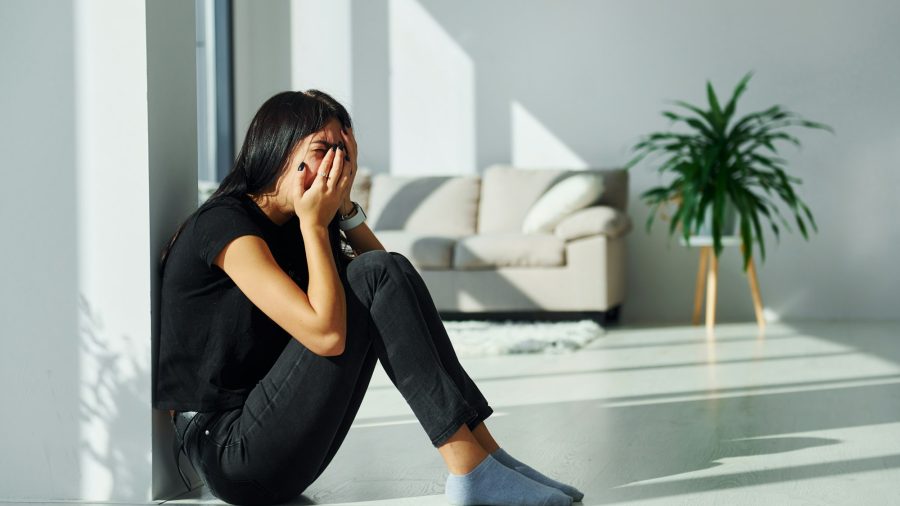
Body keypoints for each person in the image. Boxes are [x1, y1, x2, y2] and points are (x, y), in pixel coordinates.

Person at [153, 90, 584, 506]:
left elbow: (394, 297)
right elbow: (326, 336)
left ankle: (487, 457)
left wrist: (342, 211)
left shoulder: (296, 226)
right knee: (374, 274)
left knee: (384, 268)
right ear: (278, 149)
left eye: (345, 152)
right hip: (230, 453)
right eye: (323, 149)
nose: (336, 164)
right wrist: (313, 225)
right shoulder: (225, 224)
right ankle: (471, 470)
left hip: (280, 445)